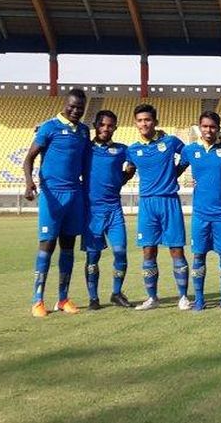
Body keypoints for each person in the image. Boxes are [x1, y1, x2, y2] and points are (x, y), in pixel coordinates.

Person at [23, 88, 90, 317]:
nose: (74, 111)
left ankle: (63, 299)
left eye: (79, 108)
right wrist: (29, 182)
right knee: (47, 245)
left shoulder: (83, 131)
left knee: (68, 247)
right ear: (65, 103)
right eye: (71, 106)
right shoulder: (49, 127)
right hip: (52, 194)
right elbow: (29, 158)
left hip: (75, 194)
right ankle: (37, 300)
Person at [124, 104, 191, 311]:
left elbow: (188, 154)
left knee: (176, 250)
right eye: (140, 120)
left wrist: (175, 172)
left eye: (148, 120)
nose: (144, 124)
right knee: (148, 250)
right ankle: (152, 298)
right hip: (147, 203)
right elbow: (128, 169)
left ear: (155, 122)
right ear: (135, 123)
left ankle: (183, 297)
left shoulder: (170, 142)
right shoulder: (132, 150)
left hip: (169, 200)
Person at [177, 111, 221, 311]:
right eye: (205, 126)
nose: (208, 130)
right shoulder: (190, 150)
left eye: (212, 126)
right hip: (200, 214)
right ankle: (200, 299)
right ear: (199, 128)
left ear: (218, 128)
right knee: (198, 256)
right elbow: (177, 170)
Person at [81, 110, 133, 310]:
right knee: (93, 257)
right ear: (95, 125)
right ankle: (93, 298)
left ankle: (116, 293)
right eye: (102, 124)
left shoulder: (122, 150)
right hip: (92, 212)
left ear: (115, 128)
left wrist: (127, 175)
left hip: (114, 210)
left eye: (110, 125)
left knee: (120, 252)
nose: (105, 128)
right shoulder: (85, 149)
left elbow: (138, 158)